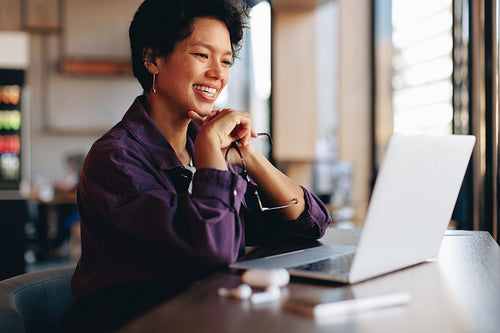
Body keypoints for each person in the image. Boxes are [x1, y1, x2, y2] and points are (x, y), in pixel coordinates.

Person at [61, 0, 332, 331]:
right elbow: (213, 249)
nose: (218, 74)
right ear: (153, 59)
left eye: (227, 60)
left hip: (202, 319)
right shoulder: (116, 159)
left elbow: (311, 223)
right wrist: (209, 150)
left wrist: (250, 154)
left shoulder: (201, 148)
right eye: (202, 55)